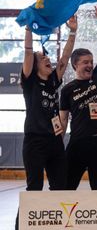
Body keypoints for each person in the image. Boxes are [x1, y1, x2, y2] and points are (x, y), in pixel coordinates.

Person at [16, 16, 77, 229]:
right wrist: (29, 29)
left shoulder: (53, 82)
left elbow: (66, 56)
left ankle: (54, 225)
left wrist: (72, 32)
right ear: (34, 66)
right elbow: (27, 52)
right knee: (34, 188)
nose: (47, 58)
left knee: (60, 186)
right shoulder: (30, 83)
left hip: (54, 142)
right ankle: (21, 225)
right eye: (42, 58)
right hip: (35, 143)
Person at [59, 5, 97, 190]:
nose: (90, 65)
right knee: (66, 186)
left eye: (91, 62)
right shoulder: (67, 90)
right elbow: (63, 119)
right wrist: (56, 141)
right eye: (85, 63)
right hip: (78, 143)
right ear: (75, 65)